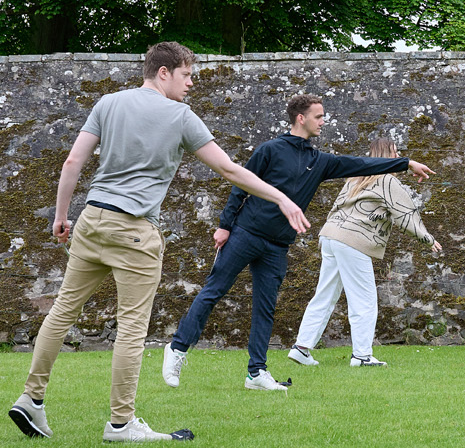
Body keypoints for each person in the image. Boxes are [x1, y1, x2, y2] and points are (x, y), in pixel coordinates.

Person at [8, 42, 311, 441]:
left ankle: (31, 399)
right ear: (164, 72)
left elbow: (73, 162)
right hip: (135, 231)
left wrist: (61, 216)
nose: (190, 84)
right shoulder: (180, 116)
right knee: (132, 328)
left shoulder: (108, 103)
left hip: (92, 220)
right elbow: (228, 169)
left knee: (62, 311)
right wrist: (282, 197)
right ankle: (121, 423)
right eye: (186, 75)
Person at [162, 95, 432, 391]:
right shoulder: (270, 150)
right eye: (319, 116)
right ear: (300, 118)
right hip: (245, 234)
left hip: (277, 246)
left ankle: (256, 373)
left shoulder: (319, 161)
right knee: (214, 292)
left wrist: (406, 164)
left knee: (265, 308)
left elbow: (360, 163)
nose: (323, 121)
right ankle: (177, 349)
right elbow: (240, 185)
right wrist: (225, 226)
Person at [287, 137, 443, 368]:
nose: (398, 155)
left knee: (325, 295)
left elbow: (338, 205)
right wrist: (427, 239)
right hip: (352, 241)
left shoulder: (356, 176)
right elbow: (405, 214)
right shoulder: (388, 181)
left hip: (331, 236)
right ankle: (361, 356)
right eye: (396, 152)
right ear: (389, 156)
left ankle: (301, 348)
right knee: (364, 300)